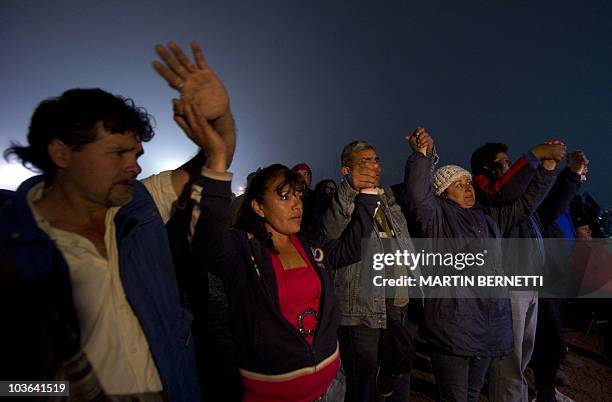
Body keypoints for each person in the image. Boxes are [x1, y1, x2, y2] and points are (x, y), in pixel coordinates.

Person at [0, 41, 235, 401]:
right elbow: (9, 386)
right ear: (61, 153)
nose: (136, 165)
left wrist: (220, 117)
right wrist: (64, 391)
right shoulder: (12, 251)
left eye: (137, 153)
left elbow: (212, 162)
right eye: (118, 152)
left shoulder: (140, 205)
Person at [187, 105, 380, 400]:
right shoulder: (241, 250)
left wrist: (366, 195)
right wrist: (216, 162)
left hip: (332, 386)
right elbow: (206, 239)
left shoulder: (309, 246)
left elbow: (349, 250)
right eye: (284, 197)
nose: (297, 205)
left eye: (299, 195)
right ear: (258, 206)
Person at [404, 127, 558, 402]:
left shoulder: (488, 219)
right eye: (458, 184)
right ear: (442, 193)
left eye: (468, 182)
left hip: (490, 327)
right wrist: (421, 155)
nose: (467, 188)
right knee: (455, 397)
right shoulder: (437, 219)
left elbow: (525, 205)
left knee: (474, 393)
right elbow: (418, 194)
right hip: (454, 327)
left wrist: (547, 170)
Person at [323, 140, 422, 401]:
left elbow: (417, 191)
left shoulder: (388, 198)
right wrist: (350, 188)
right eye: (364, 161)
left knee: (398, 381)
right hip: (362, 315)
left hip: (398, 308)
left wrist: (422, 155)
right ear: (346, 170)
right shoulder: (341, 202)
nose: (372, 165)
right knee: (364, 389)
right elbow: (333, 237)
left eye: (375, 159)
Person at [470, 141, 569, 402]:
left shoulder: (508, 201)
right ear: (487, 168)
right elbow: (512, 196)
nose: (512, 166)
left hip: (527, 285)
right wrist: (535, 155)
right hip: (508, 287)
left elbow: (530, 199)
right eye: (505, 161)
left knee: (521, 356)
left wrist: (548, 167)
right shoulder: (488, 198)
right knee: (508, 360)